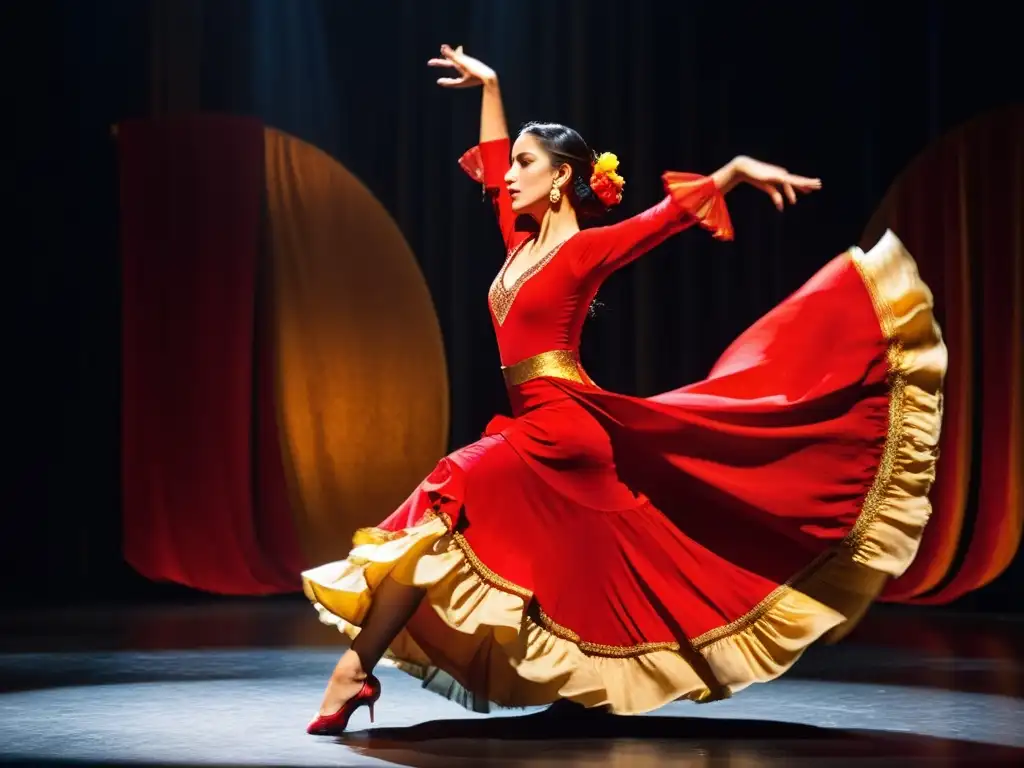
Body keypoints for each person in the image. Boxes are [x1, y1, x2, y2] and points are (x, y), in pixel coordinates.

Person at [302, 44, 946, 735]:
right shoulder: (518, 242)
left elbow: (662, 223)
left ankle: (353, 670)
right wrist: (490, 85)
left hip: (567, 432)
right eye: (514, 162)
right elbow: (491, 162)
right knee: (569, 572)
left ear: (561, 180)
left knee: (444, 501)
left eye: (527, 164)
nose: (509, 175)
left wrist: (730, 172)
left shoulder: (584, 251)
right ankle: (397, 675)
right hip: (535, 429)